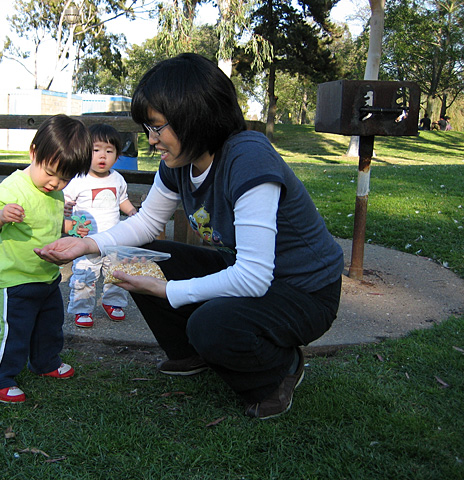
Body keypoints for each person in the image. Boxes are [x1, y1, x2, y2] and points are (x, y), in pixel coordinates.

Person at [35, 53, 344, 419]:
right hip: (250, 273)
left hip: (304, 290)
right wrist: (86, 244)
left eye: (157, 128)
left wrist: (167, 292)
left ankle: (280, 369)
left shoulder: (248, 160)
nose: (152, 141)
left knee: (211, 325)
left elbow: (254, 277)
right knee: (139, 256)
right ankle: (192, 353)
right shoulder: (179, 163)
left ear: (194, 116)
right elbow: (147, 223)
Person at [0, 114, 92, 404]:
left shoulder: (54, 195)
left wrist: (70, 229)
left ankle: (45, 362)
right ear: (33, 153)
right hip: (12, 280)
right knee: (14, 332)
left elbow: (48, 225)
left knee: (49, 326)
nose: (55, 183)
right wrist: (1, 216)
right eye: (51, 172)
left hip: (46, 277)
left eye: (64, 178)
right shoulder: (12, 187)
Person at [63, 123, 138, 328]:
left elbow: (122, 200)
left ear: (117, 155)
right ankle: (82, 308)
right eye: (96, 150)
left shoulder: (118, 179)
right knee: (85, 275)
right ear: (85, 152)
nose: (102, 156)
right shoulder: (78, 180)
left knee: (117, 272)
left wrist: (131, 212)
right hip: (87, 241)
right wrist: (67, 216)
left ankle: (113, 303)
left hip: (114, 239)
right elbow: (65, 205)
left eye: (109, 151)